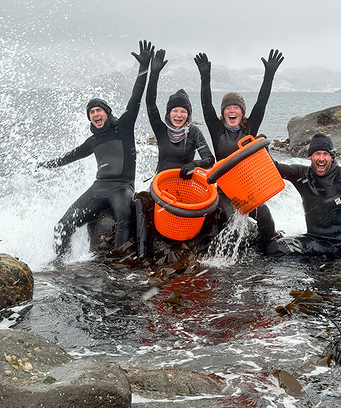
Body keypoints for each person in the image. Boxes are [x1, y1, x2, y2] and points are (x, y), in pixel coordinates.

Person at [37, 40, 154, 259]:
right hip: (98, 188)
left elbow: (136, 98)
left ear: (107, 113)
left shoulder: (124, 128)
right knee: (61, 226)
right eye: (91, 112)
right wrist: (47, 165)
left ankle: (118, 268)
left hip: (122, 187)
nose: (94, 114)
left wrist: (144, 67)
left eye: (98, 110)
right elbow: (70, 156)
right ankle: (61, 265)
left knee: (123, 218)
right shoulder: (93, 141)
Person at [194, 49, 283, 253]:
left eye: (236, 108)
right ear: (223, 112)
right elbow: (206, 103)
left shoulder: (249, 128)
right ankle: (223, 260)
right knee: (231, 220)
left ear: (242, 112)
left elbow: (262, 102)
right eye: (228, 108)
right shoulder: (216, 130)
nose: (232, 111)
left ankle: (266, 252)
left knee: (266, 218)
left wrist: (269, 75)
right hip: (225, 190)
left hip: (248, 190)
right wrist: (205, 76)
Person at [271, 132, 341, 260]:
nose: (321, 158)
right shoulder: (301, 174)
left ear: (331, 157)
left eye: (325, 154)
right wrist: (261, 150)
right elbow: (274, 167)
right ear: (310, 157)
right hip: (314, 241)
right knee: (276, 248)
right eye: (317, 154)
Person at [146, 48, 215, 176]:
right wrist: (154, 74)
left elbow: (210, 160)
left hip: (184, 186)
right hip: (161, 185)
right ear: (169, 113)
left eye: (183, 111)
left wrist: (194, 164)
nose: (179, 115)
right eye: (175, 111)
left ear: (188, 115)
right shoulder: (161, 129)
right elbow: (150, 104)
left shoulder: (193, 132)